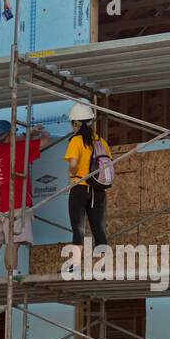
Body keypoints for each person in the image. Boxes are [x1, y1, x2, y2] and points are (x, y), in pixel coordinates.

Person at [0, 119, 50, 277]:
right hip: (15, 202)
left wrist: (27, 134)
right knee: (12, 244)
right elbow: (45, 140)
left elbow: (9, 142)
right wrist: (41, 132)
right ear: (11, 134)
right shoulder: (19, 148)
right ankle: (11, 278)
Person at [63, 103, 110, 258]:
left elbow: (74, 165)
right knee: (98, 227)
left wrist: (70, 172)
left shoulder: (76, 141)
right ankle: (104, 264)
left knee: (78, 229)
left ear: (75, 123)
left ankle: (75, 265)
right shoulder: (100, 141)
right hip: (98, 189)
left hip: (80, 187)